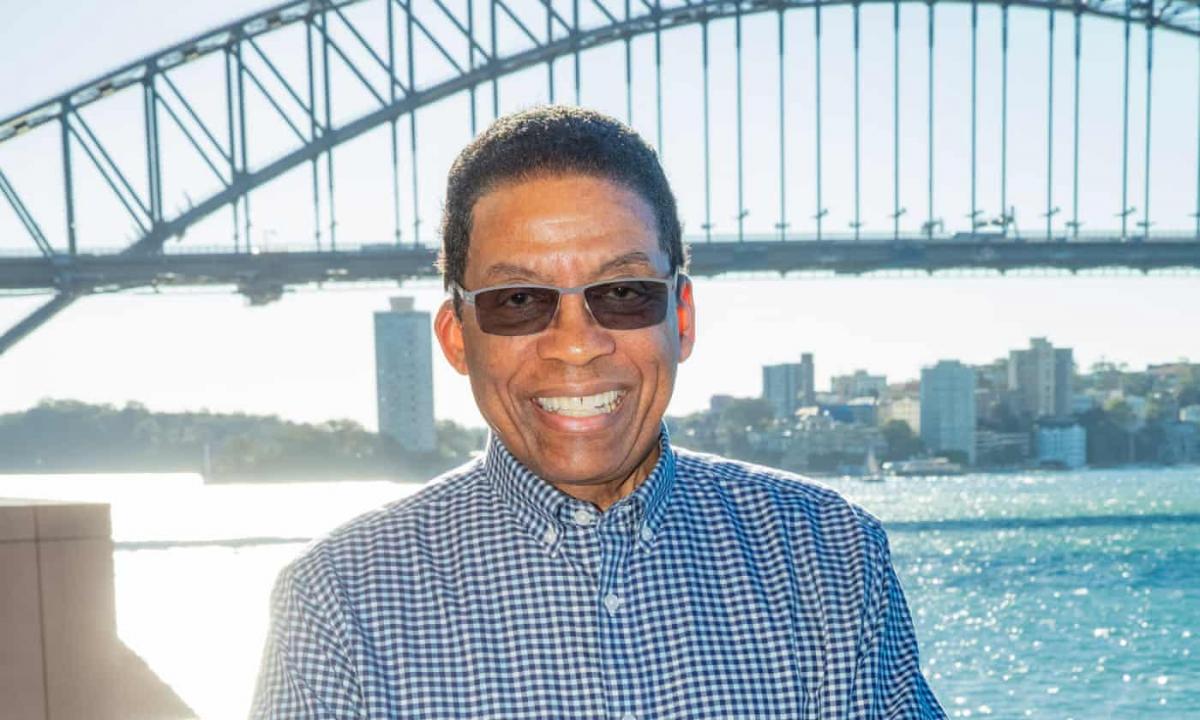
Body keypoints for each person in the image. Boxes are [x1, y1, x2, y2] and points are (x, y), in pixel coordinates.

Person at [250, 105, 946, 719]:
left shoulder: (830, 557)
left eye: (622, 293)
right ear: (458, 338)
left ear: (682, 316)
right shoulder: (338, 603)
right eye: (518, 301)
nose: (577, 345)